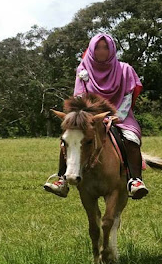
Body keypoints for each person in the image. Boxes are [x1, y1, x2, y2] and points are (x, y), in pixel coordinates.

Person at [44, 33, 148, 199]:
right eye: (98, 47)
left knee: (130, 140)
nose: (101, 51)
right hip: (90, 117)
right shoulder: (83, 69)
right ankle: (62, 178)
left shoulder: (125, 69)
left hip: (120, 116)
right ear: (91, 49)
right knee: (68, 139)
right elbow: (79, 96)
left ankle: (135, 180)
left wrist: (117, 116)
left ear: (112, 49)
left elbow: (128, 96)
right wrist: (84, 116)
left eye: (105, 47)